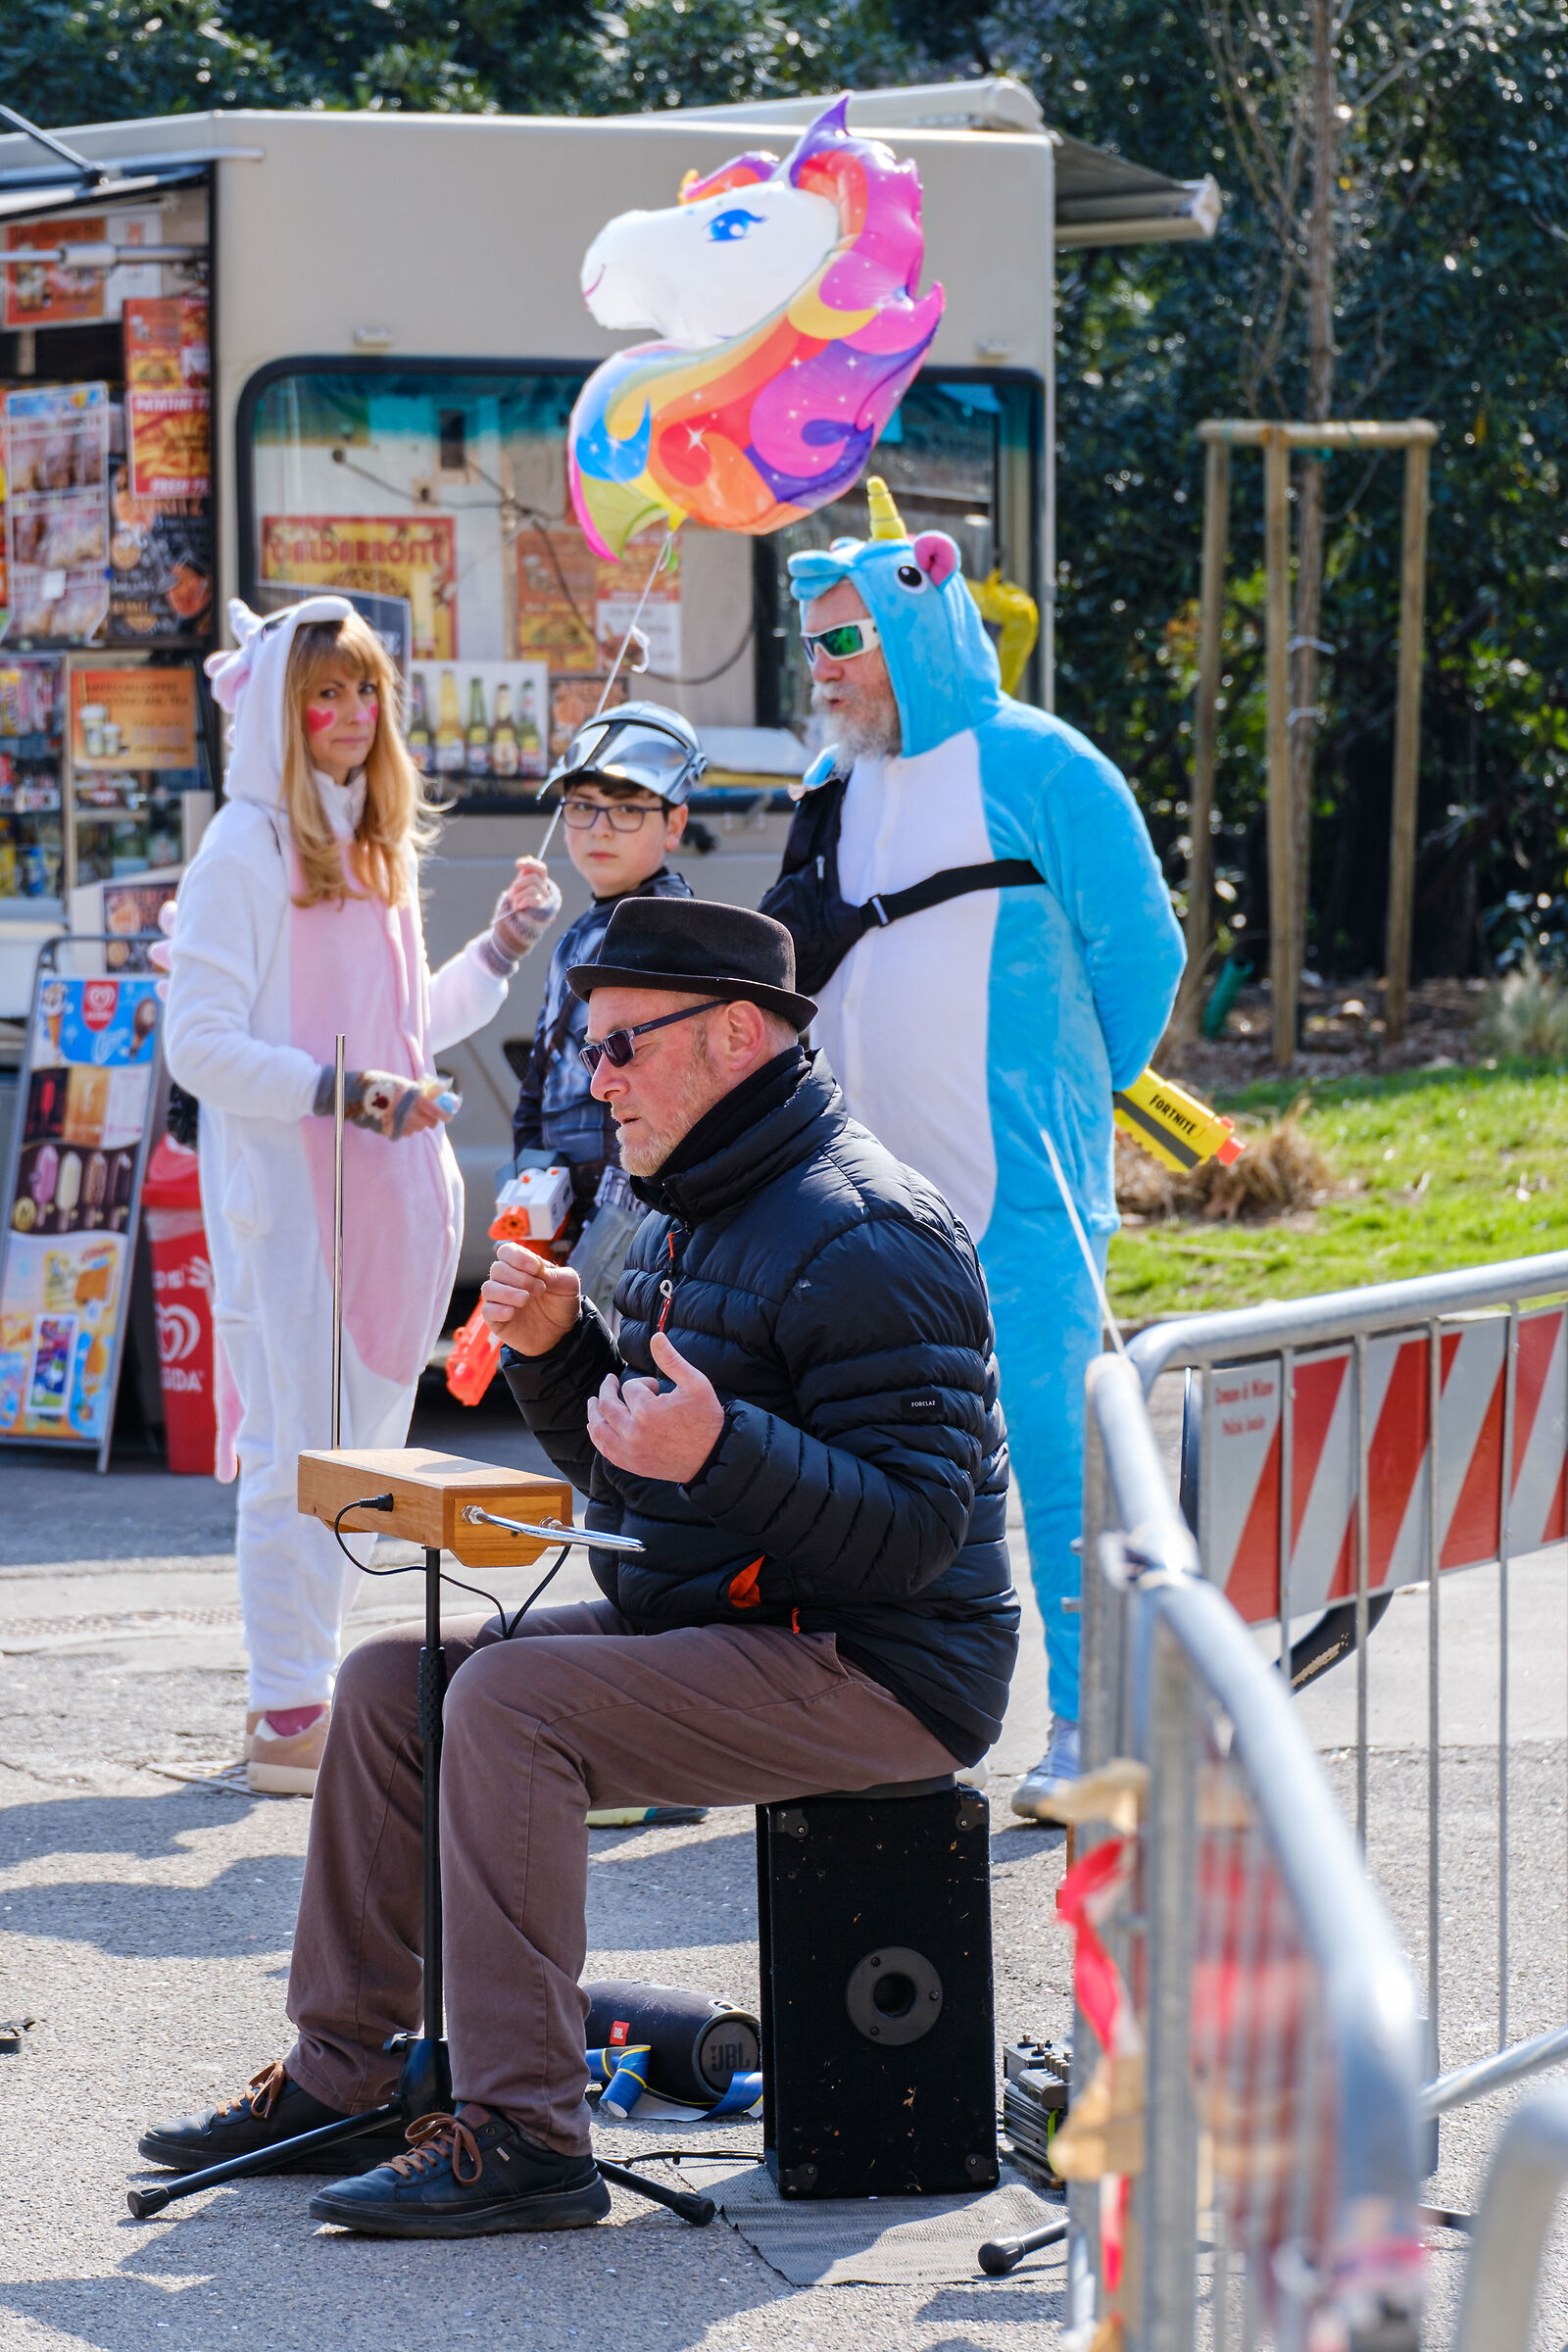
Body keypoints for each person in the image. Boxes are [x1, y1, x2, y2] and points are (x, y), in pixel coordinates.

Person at [138, 899, 1017, 2238]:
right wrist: (561, 1356)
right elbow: (629, 1470)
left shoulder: (871, 1232)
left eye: (619, 1049)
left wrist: (723, 1449)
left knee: (506, 1704)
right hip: (746, 1622)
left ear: (735, 1036)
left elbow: (914, 1533)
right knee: (386, 1685)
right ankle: (342, 2074)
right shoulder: (681, 1204)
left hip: (882, 1667)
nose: (589, 1080)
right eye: (587, 1051)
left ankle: (525, 2129)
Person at [770, 498, 1183, 1820]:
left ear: (913, 619)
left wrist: (1077, 1090)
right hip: (857, 1205)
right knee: (856, 1467)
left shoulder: (1047, 768)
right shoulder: (834, 787)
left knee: (1058, 1456)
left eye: (844, 639)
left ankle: (1095, 1731)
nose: (821, 665)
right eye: (812, 639)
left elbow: (1145, 955)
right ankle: (863, 1722)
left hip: (1022, 1190)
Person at [162, 597, 560, 1795]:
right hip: (297, 1205)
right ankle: (290, 1712)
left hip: (390, 1199)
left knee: (356, 1458)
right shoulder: (242, 848)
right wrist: (346, 1094)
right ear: (278, 714)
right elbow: (198, 1044)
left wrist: (497, 949)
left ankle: (312, 1695)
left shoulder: (373, 841)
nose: (346, 716)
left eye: (365, 691)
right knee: (302, 1456)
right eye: (320, 695)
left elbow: (404, 1026)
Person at [510, 702, 699, 1311]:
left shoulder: (669, 928)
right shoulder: (578, 931)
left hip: (633, 1208)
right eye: (582, 807)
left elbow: (656, 1091)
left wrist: (613, 1227)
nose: (600, 828)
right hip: (562, 1200)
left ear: (674, 824)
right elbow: (542, 1075)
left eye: (626, 809)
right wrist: (527, 1177)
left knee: (609, 1379)